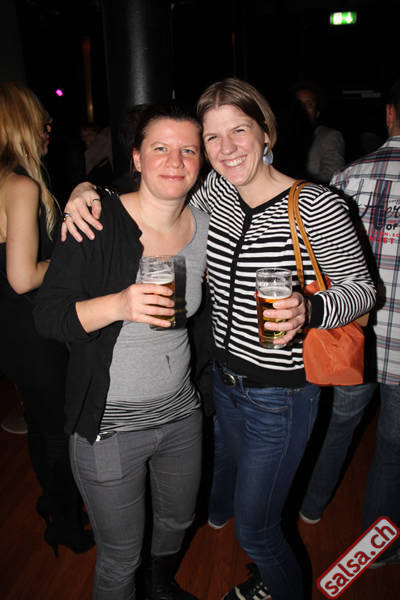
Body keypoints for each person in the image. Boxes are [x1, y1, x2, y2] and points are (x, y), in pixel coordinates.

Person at [59, 78, 376, 600]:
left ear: (265, 131)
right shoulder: (215, 197)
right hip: (221, 388)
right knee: (228, 500)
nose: (226, 148)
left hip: (280, 394)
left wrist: (311, 308)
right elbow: (150, 191)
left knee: (257, 529)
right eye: (212, 137)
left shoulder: (319, 205)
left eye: (239, 131)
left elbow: (363, 291)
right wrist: (84, 191)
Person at [34, 103, 209, 600]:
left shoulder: (204, 225)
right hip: (109, 427)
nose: (174, 161)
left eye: (188, 150)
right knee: (120, 558)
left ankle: (159, 586)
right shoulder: (96, 220)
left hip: (181, 416)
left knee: (177, 521)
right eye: (160, 148)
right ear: (136, 157)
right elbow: (48, 316)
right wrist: (119, 304)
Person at [299, 80, 400, 567]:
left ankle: (311, 507)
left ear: (389, 114)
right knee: (392, 449)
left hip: (352, 337)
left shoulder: (347, 177)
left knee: (339, 426)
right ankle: (378, 550)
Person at [0, 82, 93, 556]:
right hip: (32, 328)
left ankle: (53, 505)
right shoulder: (21, 185)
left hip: (11, 328)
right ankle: (66, 524)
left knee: (41, 423)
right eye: (40, 120)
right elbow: (22, 277)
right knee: (57, 430)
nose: (48, 127)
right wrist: (71, 260)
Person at [294, 82, 346, 183]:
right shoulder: (279, 137)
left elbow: (332, 175)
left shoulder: (329, 136)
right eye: (298, 104)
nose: (302, 108)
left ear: (317, 112)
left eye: (309, 104)